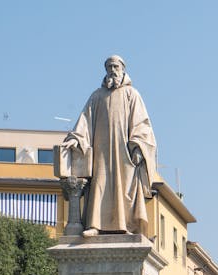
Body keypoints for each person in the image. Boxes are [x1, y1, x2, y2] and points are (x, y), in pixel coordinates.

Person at [62, 55, 157, 236]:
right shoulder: (96, 96)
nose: (112, 70)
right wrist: (77, 137)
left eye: (115, 67)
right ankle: (95, 225)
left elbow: (142, 125)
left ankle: (126, 226)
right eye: (109, 67)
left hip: (124, 155)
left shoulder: (132, 94)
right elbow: (85, 121)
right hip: (101, 153)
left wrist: (137, 147)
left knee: (125, 188)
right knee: (99, 184)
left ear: (123, 69)